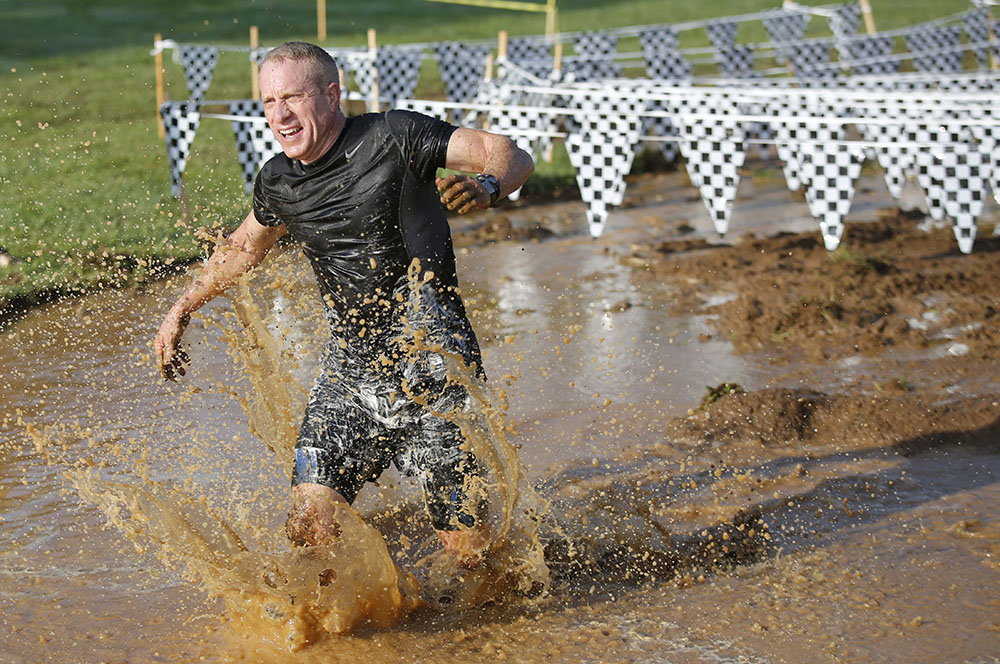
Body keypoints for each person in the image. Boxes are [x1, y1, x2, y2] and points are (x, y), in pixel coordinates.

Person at [153, 41, 534, 570]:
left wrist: (490, 184)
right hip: (349, 373)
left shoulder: (395, 137)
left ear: (331, 95)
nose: (279, 115)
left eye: (292, 97)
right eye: (267, 102)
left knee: (469, 558)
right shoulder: (278, 181)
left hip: (435, 369)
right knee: (309, 527)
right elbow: (243, 248)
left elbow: (510, 152)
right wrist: (181, 308)